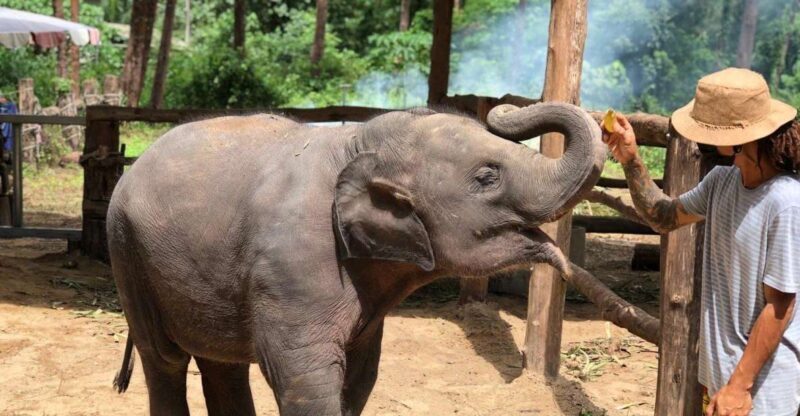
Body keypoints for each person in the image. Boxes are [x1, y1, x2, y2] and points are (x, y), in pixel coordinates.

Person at [603, 68, 800, 416]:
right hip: (723, 379)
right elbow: (662, 215)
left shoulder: (786, 203)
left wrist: (740, 386)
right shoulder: (721, 182)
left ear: (739, 138)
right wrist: (631, 160)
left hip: (761, 391)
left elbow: (780, 307)